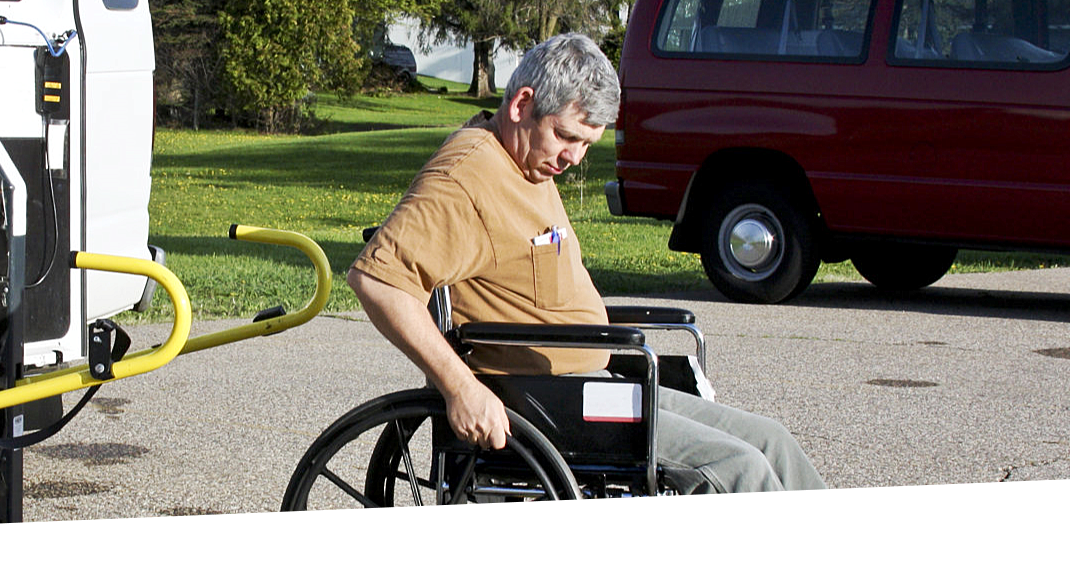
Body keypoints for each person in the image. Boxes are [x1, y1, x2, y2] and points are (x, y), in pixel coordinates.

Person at [348, 33, 826, 494]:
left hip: (593, 386)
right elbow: (378, 281)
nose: (574, 157)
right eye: (566, 136)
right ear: (521, 105)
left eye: (586, 145)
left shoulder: (525, 161)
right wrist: (461, 389)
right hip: (548, 403)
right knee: (740, 468)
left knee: (772, 442)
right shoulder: (466, 178)